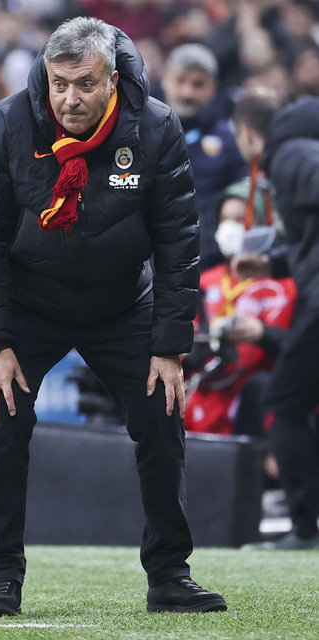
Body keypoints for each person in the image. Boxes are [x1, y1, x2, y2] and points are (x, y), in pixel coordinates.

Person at [0, 17, 227, 617]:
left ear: (112, 81)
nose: (70, 99)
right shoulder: (6, 123)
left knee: (161, 416)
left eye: (84, 85)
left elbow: (179, 243)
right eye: (59, 84)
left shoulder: (156, 127)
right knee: (1, 422)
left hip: (122, 302)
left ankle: (169, 576)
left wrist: (169, 346)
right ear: (45, 78)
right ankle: (1, 580)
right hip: (29, 304)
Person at [231, 88, 319, 549]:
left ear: (247, 133)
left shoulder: (289, 155)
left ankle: (305, 529)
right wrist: (273, 264)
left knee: (285, 400)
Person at [183, 178, 297, 437]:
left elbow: (303, 350)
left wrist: (261, 334)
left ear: (264, 225)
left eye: (240, 219)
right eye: (225, 219)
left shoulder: (287, 286)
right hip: (201, 404)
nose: (230, 227)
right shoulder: (204, 281)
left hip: (257, 409)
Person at [161, 43, 247, 270]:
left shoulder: (229, 140)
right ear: (166, 79)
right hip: (152, 259)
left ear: (213, 86)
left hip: (210, 261)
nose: (187, 93)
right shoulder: (142, 132)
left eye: (198, 84)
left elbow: (244, 188)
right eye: (180, 81)